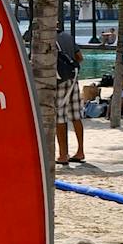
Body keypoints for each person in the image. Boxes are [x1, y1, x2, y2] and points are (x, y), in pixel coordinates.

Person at [54, 27, 86, 164]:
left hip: (58, 81)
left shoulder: (46, 39)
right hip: (73, 79)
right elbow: (80, 58)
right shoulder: (68, 37)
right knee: (76, 115)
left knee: (59, 117)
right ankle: (80, 151)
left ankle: (63, 154)